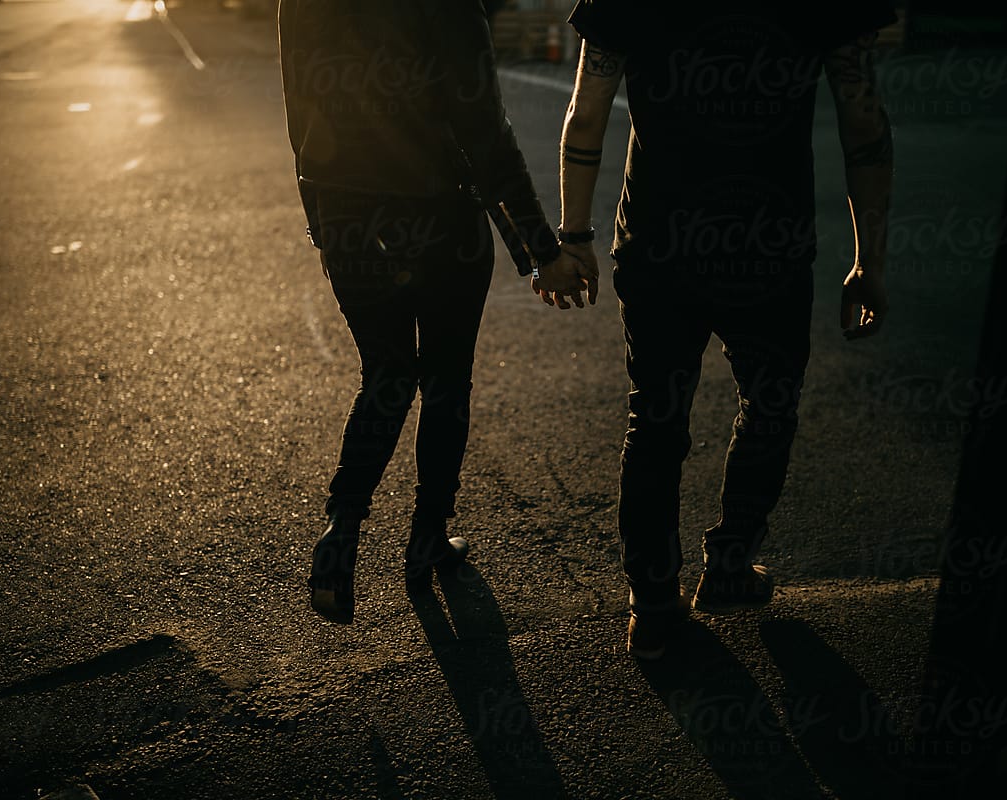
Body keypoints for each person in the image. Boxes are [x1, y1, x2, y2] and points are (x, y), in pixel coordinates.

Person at [558, 0, 896, 657]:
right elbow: (864, 122)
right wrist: (869, 262)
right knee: (769, 404)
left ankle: (654, 607)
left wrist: (574, 236)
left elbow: (587, 110)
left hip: (659, 244)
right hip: (768, 245)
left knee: (656, 419)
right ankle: (731, 562)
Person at [278, 0, 596, 624]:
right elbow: (481, 126)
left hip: (347, 212)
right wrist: (540, 250)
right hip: (438, 213)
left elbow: (299, 106)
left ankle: (341, 533)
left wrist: (321, 219)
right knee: (447, 376)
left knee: (386, 372)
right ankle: (427, 536)